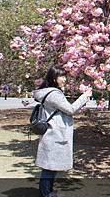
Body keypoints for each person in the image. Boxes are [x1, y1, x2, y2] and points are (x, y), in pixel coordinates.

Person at [32, 65, 92, 197]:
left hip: (52, 132)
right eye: (62, 76)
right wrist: (84, 97)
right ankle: (46, 193)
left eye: (65, 76)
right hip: (55, 134)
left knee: (50, 166)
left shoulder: (49, 92)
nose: (65, 79)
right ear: (54, 78)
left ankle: (48, 191)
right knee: (49, 167)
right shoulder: (54, 94)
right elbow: (70, 109)